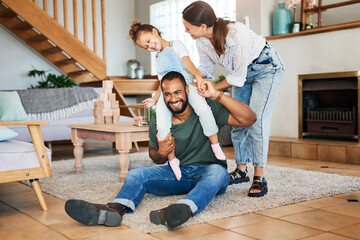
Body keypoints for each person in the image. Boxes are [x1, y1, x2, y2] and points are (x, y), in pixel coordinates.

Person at [64, 71, 256, 230]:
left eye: (178, 92)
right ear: (162, 95)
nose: (173, 99)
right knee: (137, 174)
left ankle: (183, 209)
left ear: (187, 90)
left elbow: (249, 119)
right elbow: (154, 156)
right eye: (167, 94)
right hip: (178, 174)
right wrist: (162, 152)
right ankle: (114, 209)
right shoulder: (159, 119)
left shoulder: (207, 108)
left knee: (217, 173)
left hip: (209, 172)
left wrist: (217, 94)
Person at [182, 1, 284, 197]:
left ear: (203, 26)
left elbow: (236, 77)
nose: (186, 31)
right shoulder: (201, 41)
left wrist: (212, 90)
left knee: (256, 121)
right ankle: (241, 170)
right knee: (238, 121)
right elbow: (206, 71)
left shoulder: (235, 36)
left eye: (188, 28)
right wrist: (194, 81)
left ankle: (259, 176)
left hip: (266, 68)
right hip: (242, 74)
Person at [128, 20, 227, 181]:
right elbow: (162, 83)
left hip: (187, 84)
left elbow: (187, 63)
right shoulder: (157, 58)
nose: (149, 47)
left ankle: (215, 145)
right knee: (162, 124)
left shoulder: (176, 45)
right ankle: (173, 160)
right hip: (167, 93)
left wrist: (198, 78)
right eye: (145, 47)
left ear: (154, 31)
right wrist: (154, 99)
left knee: (203, 110)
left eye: (148, 41)